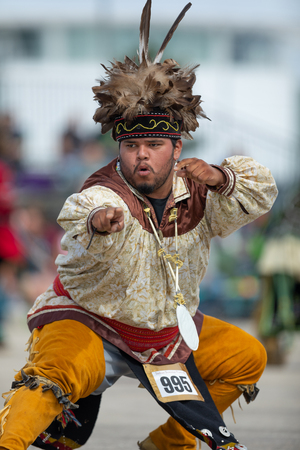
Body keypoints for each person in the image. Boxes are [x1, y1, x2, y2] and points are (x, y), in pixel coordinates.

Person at [0, 2, 278, 450]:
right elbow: (79, 208)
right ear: (120, 150)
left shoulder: (200, 189)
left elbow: (260, 191)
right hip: (90, 322)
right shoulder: (105, 190)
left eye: (153, 144)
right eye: (132, 147)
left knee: (248, 357)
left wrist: (223, 177)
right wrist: (97, 220)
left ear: (177, 145)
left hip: (167, 334)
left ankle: (166, 445)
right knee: (50, 376)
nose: (142, 156)